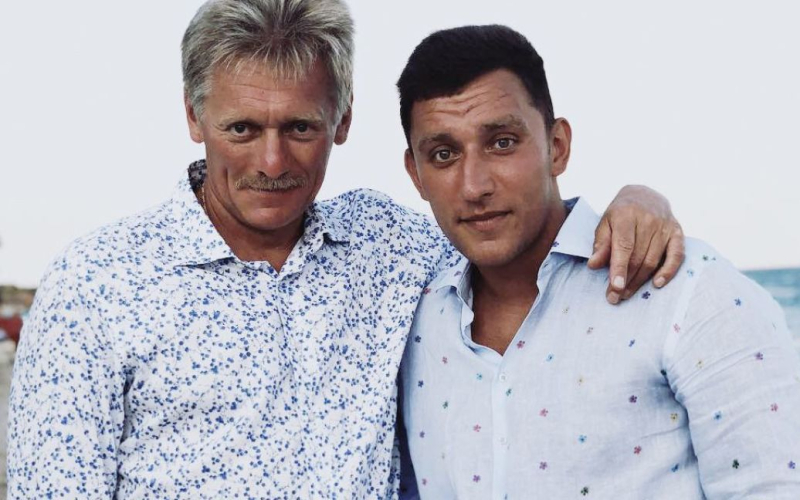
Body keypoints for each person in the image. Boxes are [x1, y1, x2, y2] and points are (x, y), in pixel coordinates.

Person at [7, 2, 683, 498]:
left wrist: (638, 200)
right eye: (242, 129)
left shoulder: (391, 247)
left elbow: (513, 235)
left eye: (301, 128)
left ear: (344, 118)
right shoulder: (99, 283)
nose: (273, 161)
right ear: (193, 116)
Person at [398, 24, 800, 499]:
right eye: (443, 154)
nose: (474, 185)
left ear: (557, 147)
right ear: (416, 175)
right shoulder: (408, 325)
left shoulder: (687, 291)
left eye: (502, 142)